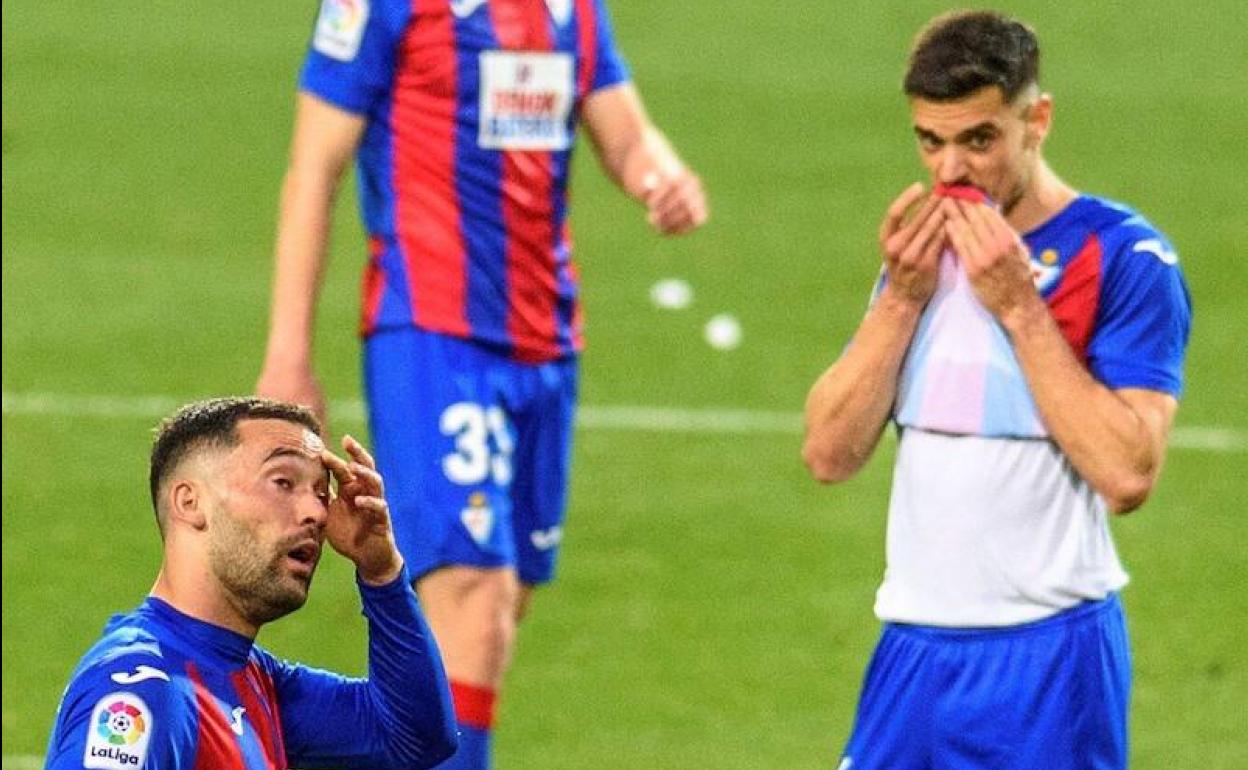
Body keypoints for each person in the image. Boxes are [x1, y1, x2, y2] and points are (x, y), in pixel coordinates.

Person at [255, 2, 707, 768]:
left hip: (545, 345)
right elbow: (314, 166)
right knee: (474, 595)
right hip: (431, 333)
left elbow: (625, 132)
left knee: (497, 611)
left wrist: (661, 179)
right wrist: (289, 353)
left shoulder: (571, 12)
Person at [802, 10, 1191, 770]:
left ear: (1035, 119)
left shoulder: (1124, 256)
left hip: (1048, 659)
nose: (949, 173)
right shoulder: (920, 254)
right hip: (910, 652)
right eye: (930, 141)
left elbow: (1127, 473)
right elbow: (827, 453)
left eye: (979, 140)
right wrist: (902, 299)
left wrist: (1018, 306)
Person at [44, 397, 458, 770]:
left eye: (319, 492)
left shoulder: (250, 676)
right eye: (283, 482)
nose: (316, 512)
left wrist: (381, 573)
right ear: (191, 502)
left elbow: (413, 738)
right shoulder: (147, 688)